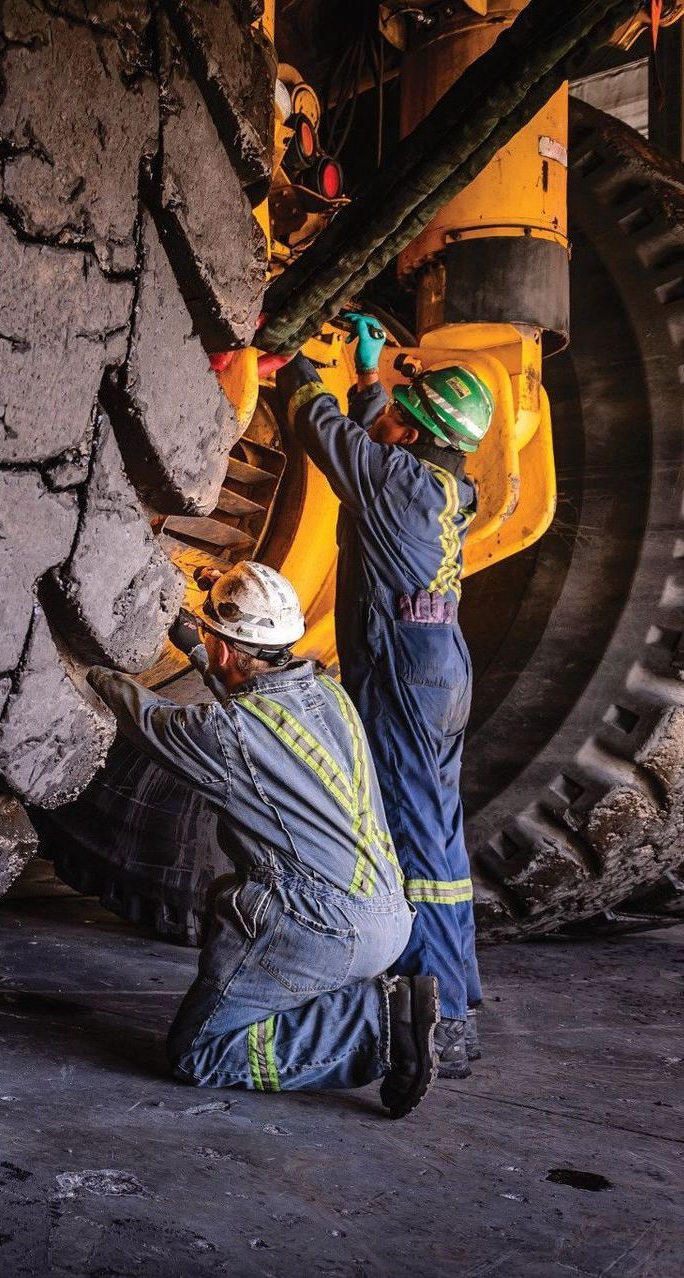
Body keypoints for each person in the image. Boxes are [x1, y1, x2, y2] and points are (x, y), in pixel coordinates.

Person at [86, 561, 440, 1119]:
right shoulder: (331, 697)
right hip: (389, 915)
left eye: (211, 639)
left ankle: (379, 1029)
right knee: (234, 893)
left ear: (227, 650)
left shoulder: (222, 734)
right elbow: (250, 718)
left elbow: (143, 716)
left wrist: (89, 663)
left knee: (197, 1055)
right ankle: (368, 1001)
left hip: (319, 928)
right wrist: (199, 652)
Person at [274, 313, 494, 1078]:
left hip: (404, 671)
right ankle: (459, 994)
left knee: (415, 839)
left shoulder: (398, 481)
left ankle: (442, 1018)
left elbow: (325, 433)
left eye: (402, 405)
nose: (390, 414)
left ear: (417, 426)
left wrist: (295, 356)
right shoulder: (440, 483)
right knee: (440, 835)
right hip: (439, 665)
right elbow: (376, 445)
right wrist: (369, 379)